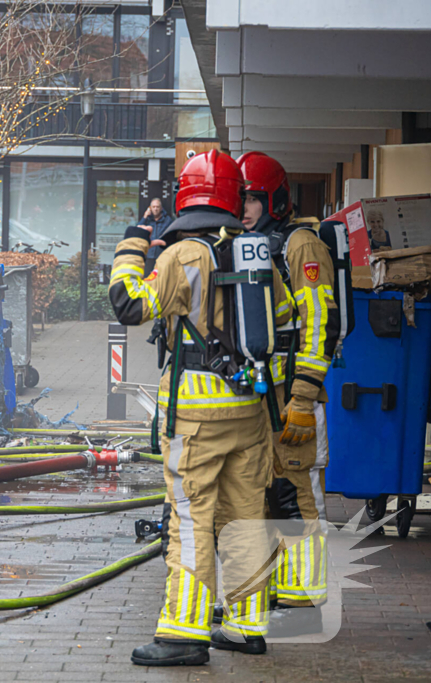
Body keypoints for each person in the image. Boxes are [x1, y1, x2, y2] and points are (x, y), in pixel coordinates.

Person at [111, 150, 291, 666]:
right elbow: (283, 329)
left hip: (195, 419)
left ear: (185, 197)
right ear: (235, 198)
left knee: (192, 521)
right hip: (251, 414)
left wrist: (133, 241)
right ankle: (245, 625)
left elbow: (129, 305)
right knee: (246, 519)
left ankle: (184, 634)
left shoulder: (182, 255)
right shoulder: (256, 252)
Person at [238, 151, 338, 637]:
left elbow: (321, 323)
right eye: (241, 199)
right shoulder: (246, 245)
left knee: (294, 493)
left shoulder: (301, 245)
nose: (246, 208)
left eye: (254, 199)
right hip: (258, 397)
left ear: (275, 198)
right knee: (260, 494)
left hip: (292, 398)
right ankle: (276, 588)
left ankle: (304, 597)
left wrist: (303, 397)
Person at [139, 197, 173, 264]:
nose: (155, 209)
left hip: (162, 255)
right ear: (150, 208)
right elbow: (138, 230)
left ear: (161, 208)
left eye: (157, 207)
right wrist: (145, 217)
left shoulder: (167, 220)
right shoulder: (146, 220)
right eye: (153, 207)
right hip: (148, 256)